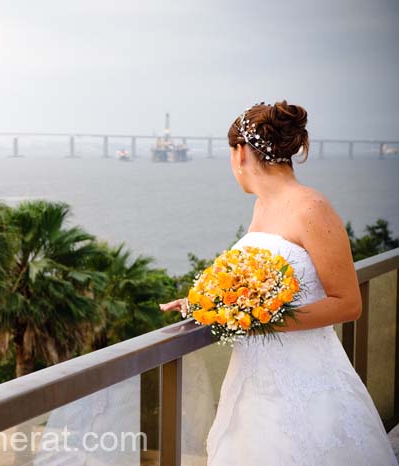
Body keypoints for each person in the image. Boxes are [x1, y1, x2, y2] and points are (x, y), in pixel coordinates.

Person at [160, 100, 398, 465]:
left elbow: (348, 303)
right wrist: (207, 304)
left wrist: (257, 321)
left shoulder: (311, 208)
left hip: (308, 383)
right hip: (254, 382)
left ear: (240, 153)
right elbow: (254, 284)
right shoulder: (262, 207)